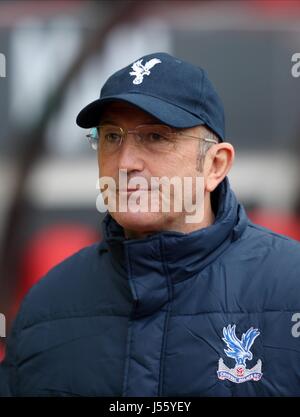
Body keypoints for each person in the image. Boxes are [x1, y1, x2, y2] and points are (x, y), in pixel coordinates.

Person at [1, 52, 300, 397]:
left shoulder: (290, 286)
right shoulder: (46, 305)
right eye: (112, 137)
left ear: (215, 165)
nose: (126, 162)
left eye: (156, 137)